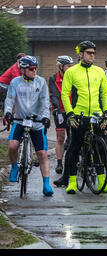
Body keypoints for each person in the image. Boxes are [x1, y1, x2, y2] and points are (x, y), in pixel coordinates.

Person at [61, 41, 107, 194]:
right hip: (79, 115)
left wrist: (106, 112)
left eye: (93, 53)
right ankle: (72, 182)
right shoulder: (71, 72)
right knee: (75, 147)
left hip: (95, 114)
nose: (92, 56)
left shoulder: (99, 72)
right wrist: (70, 113)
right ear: (80, 54)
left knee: (99, 148)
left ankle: (102, 182)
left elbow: (105, 93)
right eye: (89, 53)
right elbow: (65, 94)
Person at [3, 56, 53, 196]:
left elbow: (44, 102)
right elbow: (10, 99)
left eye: (36, 68)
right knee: (12, 145)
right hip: (20, 120)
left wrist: (45, 117)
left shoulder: (41, 82)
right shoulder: (15, 82)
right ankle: (14, 167)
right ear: (23, 70)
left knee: (42, 154)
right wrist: (7, 112)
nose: (34, 71)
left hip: (37, 122)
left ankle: (46, 184)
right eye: (31, 69)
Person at [49, 56, 74, 177]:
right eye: (68, 66)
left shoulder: (73, 78)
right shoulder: (53, 78)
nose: (70, 68)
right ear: (61, 67)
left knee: (73, 137)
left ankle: (74, 160)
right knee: (60, 138)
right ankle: (59, 163)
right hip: (60, 111)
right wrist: (57, 108)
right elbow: (53, 95)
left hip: (72, 110)